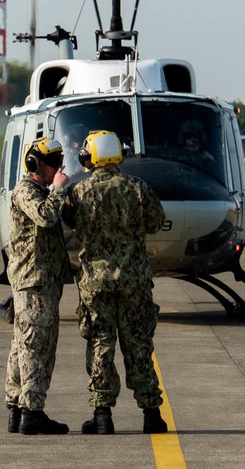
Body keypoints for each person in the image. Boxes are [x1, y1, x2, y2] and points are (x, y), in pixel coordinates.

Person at [62, 130, 169, 435]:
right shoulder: (137, 188)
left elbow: (71, 223)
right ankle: (152, 415)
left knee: (100, 344)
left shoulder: (78, 192)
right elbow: (155, 222)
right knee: (138, 343)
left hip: (96, 283)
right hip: (134, 280)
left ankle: (102, 415)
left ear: (90, 156)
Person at [4, 137, 71, 435]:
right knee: (36, 347)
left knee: (23, 345)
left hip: (41, 281)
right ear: (36, 164)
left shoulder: (39, 191)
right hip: (34, 283)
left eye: (60, 161)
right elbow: (45, 217)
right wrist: (58, 189)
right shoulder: (26, 192)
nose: (58, 167)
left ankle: (18, 410)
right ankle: (32, 411)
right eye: (53, 163)